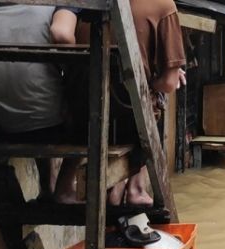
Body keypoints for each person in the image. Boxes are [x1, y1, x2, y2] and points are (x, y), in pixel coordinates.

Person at [52, 2, 186, 207]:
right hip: (129, 116)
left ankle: (64, 186)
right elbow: (168, 82)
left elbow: (62, 35)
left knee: (89, 93)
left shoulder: (82, 4)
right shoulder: (163, 5)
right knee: (152, 99)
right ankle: (136, 189)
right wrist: (152, 82)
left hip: (84, 116)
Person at [0, 4, 85, 203]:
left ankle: (47, 186)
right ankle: (65, 188)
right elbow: (62, 34)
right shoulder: (57, 8)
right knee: (86, 114)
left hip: (3, 127)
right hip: (48, 128)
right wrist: (72, 73)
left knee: (38, 97)